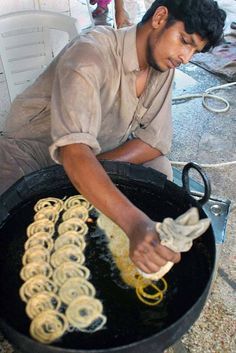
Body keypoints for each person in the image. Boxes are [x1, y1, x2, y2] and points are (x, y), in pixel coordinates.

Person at [0, 0, 225, 275]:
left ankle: (112, 217)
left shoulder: (163, 65)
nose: (185, 57)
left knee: (159, 169)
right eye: (184, 41)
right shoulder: (90, 54)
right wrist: (134, 223)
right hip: (30, 150)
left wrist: (98, 167)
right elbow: (73, 151)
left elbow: (154, 142)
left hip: (95, 150)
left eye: (194, 50)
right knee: (12, 229)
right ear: (160, 17)